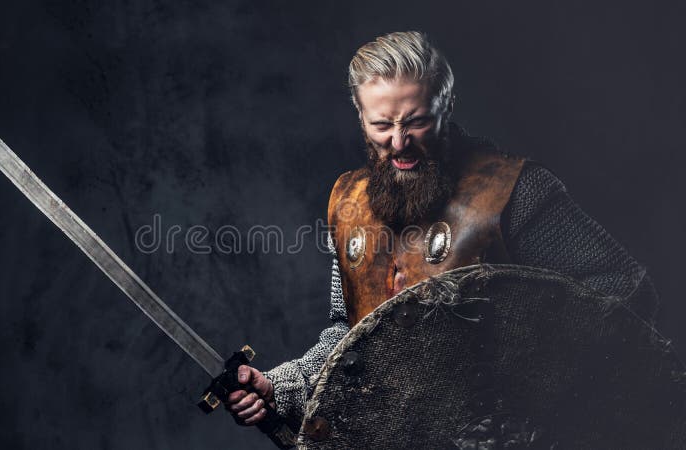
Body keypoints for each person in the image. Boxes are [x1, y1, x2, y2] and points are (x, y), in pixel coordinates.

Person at [224, 30, 655, 430]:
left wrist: (532, 393)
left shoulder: (514, 191)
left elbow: (624, 293)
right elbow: (348, 336)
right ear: (360, 115)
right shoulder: (349, 201)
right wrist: (281, 386)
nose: (398, 142)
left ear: (446, 106)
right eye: (381, 125)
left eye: (416, 122)